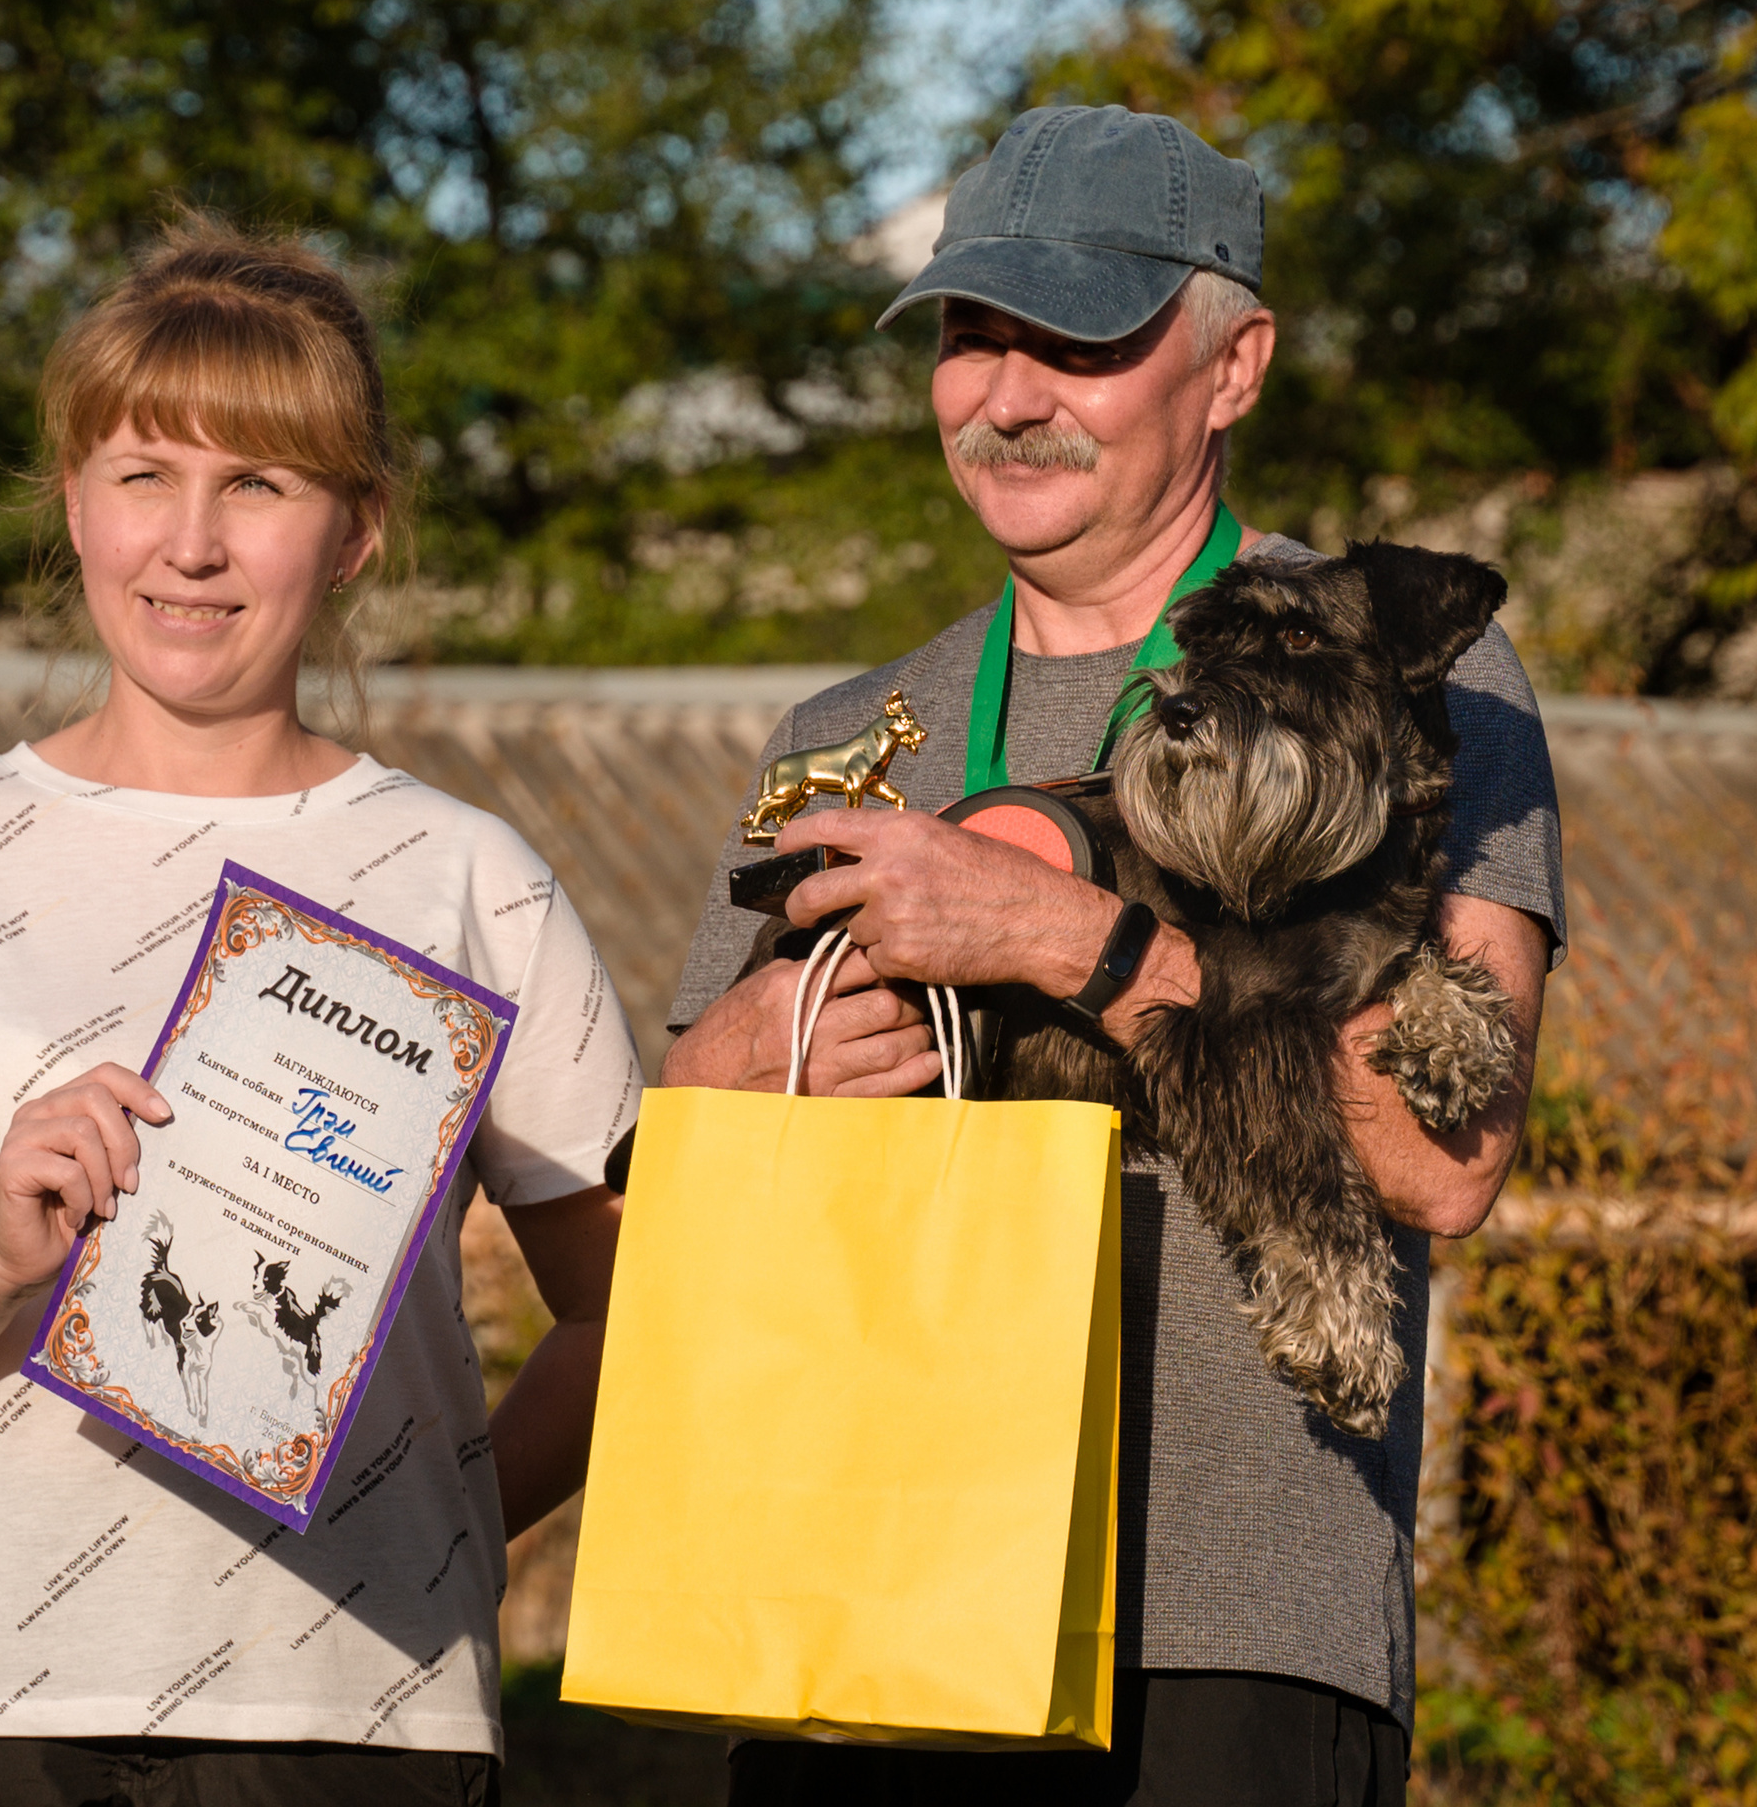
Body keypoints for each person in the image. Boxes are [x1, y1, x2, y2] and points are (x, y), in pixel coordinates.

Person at [664, 106, 1563, 1806]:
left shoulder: (1395, 666)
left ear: (1234, 369)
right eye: (968, 334)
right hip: (864, 1599)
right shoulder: (846, 735)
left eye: (1076, 341)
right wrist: (740, 1060)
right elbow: (661, 1210)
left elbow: (1443, 1157)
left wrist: (1068, 939)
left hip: (1224, 1628)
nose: (1007, 394)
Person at [0, 217, 638, 1806]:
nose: (191, 543)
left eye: (260, 484)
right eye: (144, 474)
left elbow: (628, 1314)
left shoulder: (475, 880)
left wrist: (428, 1522)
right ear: (74, 501)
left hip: (355, 1725)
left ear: (356, 531)